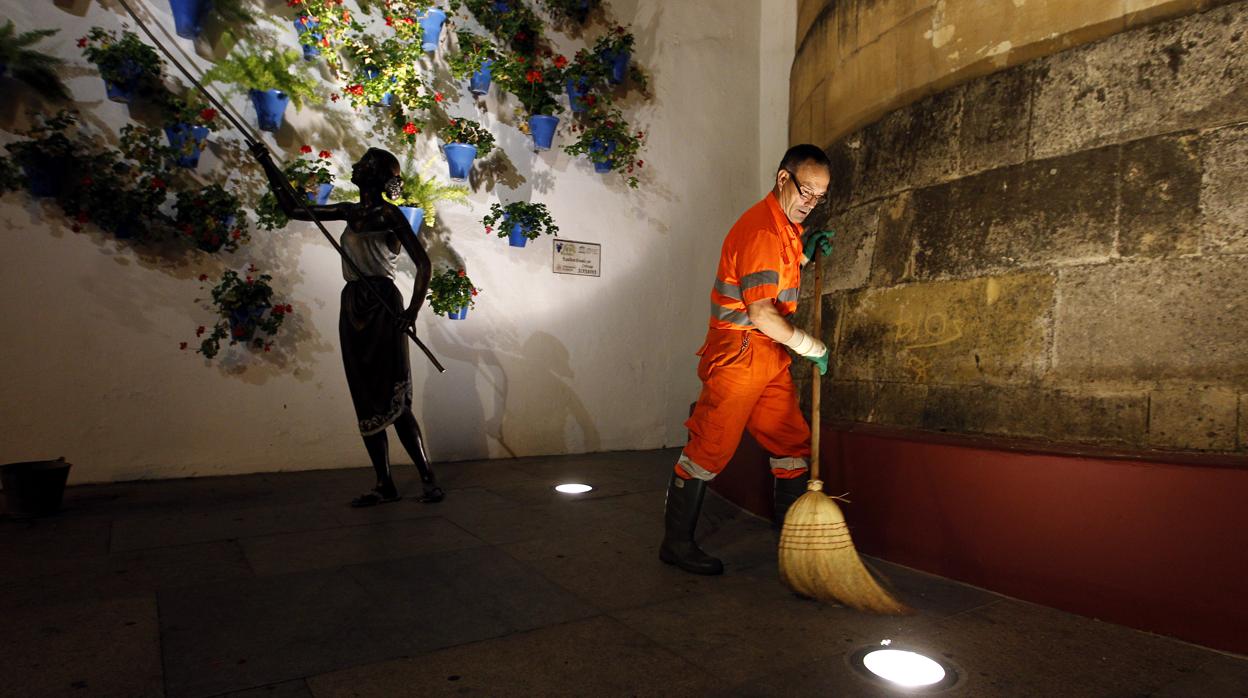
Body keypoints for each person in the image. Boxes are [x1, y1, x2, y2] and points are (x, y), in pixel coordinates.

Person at [660, 144, 835, 575]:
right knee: (709, 448)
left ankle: (789, 533)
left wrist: (806, 253)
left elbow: (776, 273)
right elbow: (760, 311)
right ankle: (676, 544)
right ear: (782, 179)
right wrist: (812, 347)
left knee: (790, 440)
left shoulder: (783, 227)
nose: (810, 204)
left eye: (820, 197)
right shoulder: (761, 230)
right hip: (740, 351)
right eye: (806, 192)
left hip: (769, 353)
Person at [249, 142, 445, 507]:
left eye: (365, 163)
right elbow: (292, 208)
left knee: (395, 396)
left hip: (383, 303)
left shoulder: (391, 216)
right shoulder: (346, 211)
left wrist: (413, 311)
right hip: (353, 304)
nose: (356, 166)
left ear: (378, 175)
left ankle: (427, 478)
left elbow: (424, 265)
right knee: (365, 395)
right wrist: (267, 164)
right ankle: (384, 483)